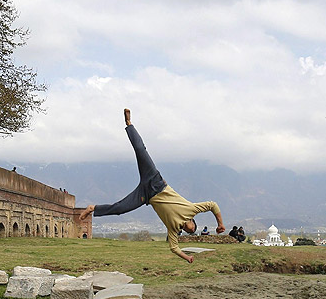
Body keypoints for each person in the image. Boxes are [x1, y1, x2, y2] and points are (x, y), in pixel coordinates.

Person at [79, 109, 225, 263]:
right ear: (192, 221)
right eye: (192, 227)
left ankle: (93, 208)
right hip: (155, 181)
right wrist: (220, 224)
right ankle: (129, 124)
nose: (190, 230)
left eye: (190, 232)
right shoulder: (191, 210)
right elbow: (212, 205)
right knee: (141, 151)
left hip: (146, 195)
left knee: (120, 208)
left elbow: (174, 248)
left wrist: (187, 257)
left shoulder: (173, 229)